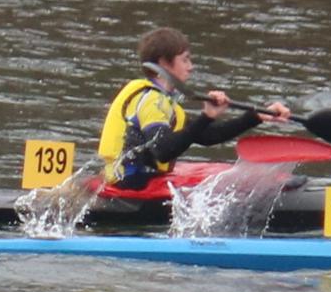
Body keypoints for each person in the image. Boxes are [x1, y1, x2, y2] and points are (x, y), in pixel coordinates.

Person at [87, 26, 287, 225]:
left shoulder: (165, 103)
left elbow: (209, 136)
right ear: (164, 63)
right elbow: (163, 151)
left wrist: (257, 116)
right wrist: (206, 116)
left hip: (139, 179)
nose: (190, 66)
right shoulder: (152, 101)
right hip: (131, 185)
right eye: (185, 59)